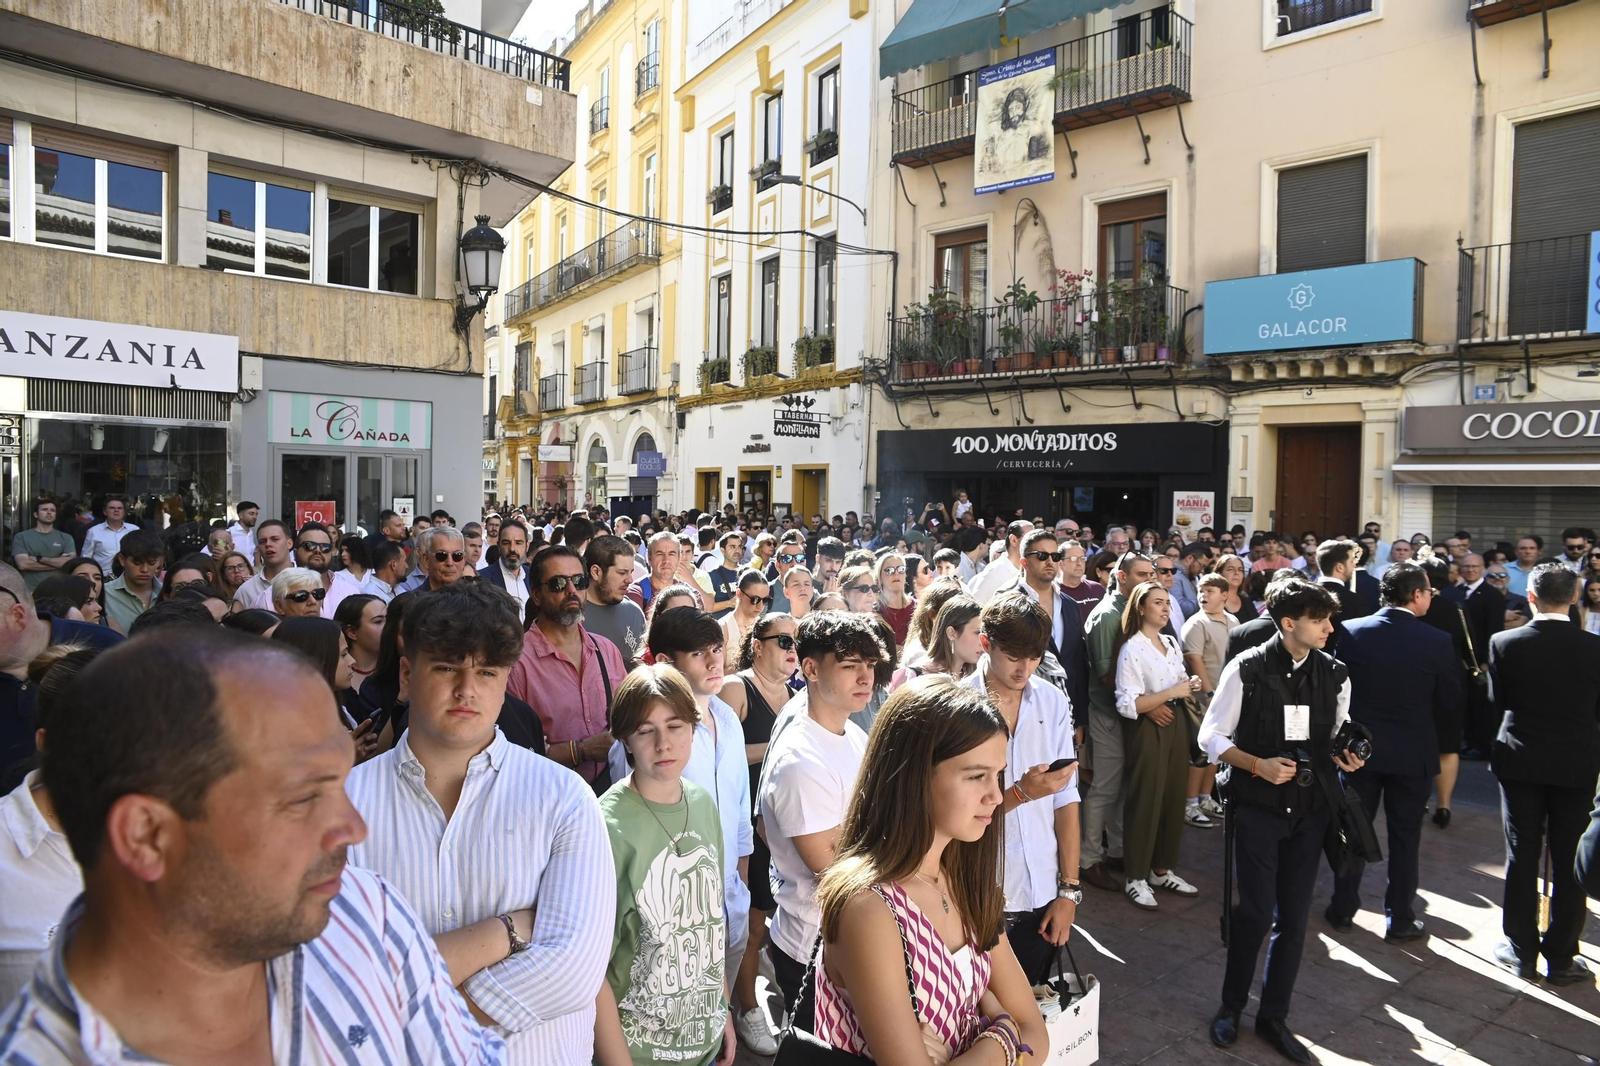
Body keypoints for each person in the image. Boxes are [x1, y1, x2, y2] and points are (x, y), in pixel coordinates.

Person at [0, 628, 509, 1064]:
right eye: (303, 797)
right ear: (147, 835)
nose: (353, 829)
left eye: (339, 783)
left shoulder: (362, 911)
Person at [347, 582, 612, 1063]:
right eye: (447, 667)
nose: (467, 689)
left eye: (486, 672)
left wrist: (400, 1017)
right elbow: (343, 976)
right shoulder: (343, 804)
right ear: (406, 674)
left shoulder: (564, 798)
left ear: (505, 680)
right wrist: (506, 932)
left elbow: (572, 972)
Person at [811, 675, 1048, 1063]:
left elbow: (1036, 1031)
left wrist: (1000, 1037)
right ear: (916, 775)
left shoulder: (963, 879)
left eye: (998, 774)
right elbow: (1022, 1034)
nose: (994, 794)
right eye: (976, 776)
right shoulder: (869, 908)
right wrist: (1004, 1033)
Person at [1198, 580, 1363, 1064]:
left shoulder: (1336, 673)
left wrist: (1346, 755)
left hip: (1310, 815)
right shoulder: (1245, 667)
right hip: (1256, 810)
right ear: (1290, 623)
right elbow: (1211, 736)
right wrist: (1256, 765)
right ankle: (1230, 1007)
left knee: (1293, 920)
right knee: (1254, 912)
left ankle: (1274, 1017)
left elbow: (1336, 735)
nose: (1331, 628)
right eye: (1321, 620)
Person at [603, 607, 754, 997]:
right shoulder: (646, 742)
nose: (714, 661)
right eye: (698, 653)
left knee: (717, 1016)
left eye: (717, 649)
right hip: (668, 923)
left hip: (730, 902)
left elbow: (739, 818)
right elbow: (633, 828)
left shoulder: (729, 719)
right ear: (667, 661)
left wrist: (738, 886)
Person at [594, 666, 736, 1066]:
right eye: (645, 731)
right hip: (640, 1053)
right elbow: (592, 970)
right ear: (625, 739)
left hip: (705, 1040)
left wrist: (722, 1011)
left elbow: (710, 921)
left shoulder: (703, 803)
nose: (663, 745)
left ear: (694, 728)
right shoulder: (605, 826)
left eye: (675, 726)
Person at [758, 611, 885, 1031]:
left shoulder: (853, 734)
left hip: (856, 938)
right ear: (810, 668)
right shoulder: (800, 760)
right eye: (850, 666)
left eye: (869, 665)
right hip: (815, 948)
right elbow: (835, 875)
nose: (865, 677)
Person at [1327, 563, 1463, 942]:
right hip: (1411, 752)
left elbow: (1338, 692)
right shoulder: (1436, 640)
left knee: (1353, 829)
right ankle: (1400, 918)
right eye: (1428, 593)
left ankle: (1342, 909)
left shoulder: (1352, 631)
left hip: (1360, 751)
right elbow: (1450, 699)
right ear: (1416, 595)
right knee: (1406, 839)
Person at [959, 593, 1082, 987]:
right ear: (985, 644)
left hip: (1043, 890)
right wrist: (1021, 793)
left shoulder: (1051, 699)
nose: (1024, 668)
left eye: (1034, 657)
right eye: (1013, 656)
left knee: (1034, 1012)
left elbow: (1066, 798)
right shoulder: (957, 706)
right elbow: (951, 815)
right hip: (976, 891)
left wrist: (1069, 891)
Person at [1487, 564, 1600, 985]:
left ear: (1531, 597)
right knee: (1570, 859)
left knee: (1522, 854)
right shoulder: (1594, 647)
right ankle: (1562, 956)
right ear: (1574, 598)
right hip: (1576, 763)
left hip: (1522, 760)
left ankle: (1521, 951)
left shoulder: (1504, 641)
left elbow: (1500, 701)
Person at [718, 613, 796, 1056]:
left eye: (797, 642)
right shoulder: (737, 688)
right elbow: (719, 753)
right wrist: (779, 745)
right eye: (783, 640)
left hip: (779, 826)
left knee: (767, 917)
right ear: (757, 645)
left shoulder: (794, 693)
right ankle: (746, 1007)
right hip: (744, 827)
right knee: (749, 923)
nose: (792, 649)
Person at [1114, 580, 1203, 910]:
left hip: (1176, 723)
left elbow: (1177, 685)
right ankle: (1135, 876)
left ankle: (1161, 869)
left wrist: (1186, 686)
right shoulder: (1132, 649)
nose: (1166, 608)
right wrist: (1167, 697)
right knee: (1145, 798)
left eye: (1167, 603)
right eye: (1157, 603)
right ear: (1140, 608)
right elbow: (1128, 703)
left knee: (1172, 796)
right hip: (1148, 730)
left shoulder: (1169, 641)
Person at [507, 545, 627, 784]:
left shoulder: (606, 650)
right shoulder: (516, 663)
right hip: (548, 799)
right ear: (536, 595)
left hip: (611, 791)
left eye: (579, 581)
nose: (571, 590)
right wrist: (580, 750)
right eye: (558, 584)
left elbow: (631, 717)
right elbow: (514, 754)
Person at [1079, 551, 1156, 893]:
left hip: (1130, 714)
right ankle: (1088, 859)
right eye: (1142, 574)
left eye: (1151, 573)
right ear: (1121, 577)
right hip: (1108, 714)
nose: (1150, 580)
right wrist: (1150, 701)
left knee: (1123, 788)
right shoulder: (1108, 616)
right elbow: (1107, 673)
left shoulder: (1132, 612)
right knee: (1105, 788)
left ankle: (1117, 852)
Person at [1415, 556, 1472, 828]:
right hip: (1452, 678)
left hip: (1418, 677)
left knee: (1420, 738)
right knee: (1448, 746)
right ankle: (1445, 805)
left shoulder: (1414, 608)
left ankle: (1421, 799)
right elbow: (1471, 645)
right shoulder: (1456, 608)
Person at [1181, 573, 1238, 828]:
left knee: (1216, 750)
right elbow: (1195, 659)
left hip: (1225, 697)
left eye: (1210, 591)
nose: (1203, 596)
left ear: (1225, 595)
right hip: (1203, 698)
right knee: (1199, 752)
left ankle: (1206, 798)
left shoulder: (1233, 620)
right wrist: (1210, 692)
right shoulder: (1196, 623)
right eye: (1201, 591)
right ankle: (1190, 803)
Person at [583, 535, 649, 667]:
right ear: (596, 572)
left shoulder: (634, 612)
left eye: (630, 572)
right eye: (622, 572)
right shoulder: (570, 616)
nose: (629, 579)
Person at [102, 530, 164, 634]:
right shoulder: (104, 594)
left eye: (151, 563)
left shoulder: (167, 593)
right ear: (122, 560)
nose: (144, 569)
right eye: (137, 563)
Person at [12, 499, 78, 592]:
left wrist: (40, 559)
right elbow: (23, 564)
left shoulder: (66, 538)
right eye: (45, 509)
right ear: (36, 514)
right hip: (31, 590)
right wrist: (59, 563)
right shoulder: (21, 537)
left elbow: (70, 563)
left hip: (60, 589)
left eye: (52, 510)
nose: (49, 512)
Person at [231, 519, 293, 609]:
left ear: (289, 543)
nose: (268, 544)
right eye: (262, 541)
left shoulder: (309, 581)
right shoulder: (246, 590)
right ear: (258, 548)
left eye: (275, 539)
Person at [400, 526, 470, 594]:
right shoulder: (410, 603)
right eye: (441, 555)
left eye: (457, 555)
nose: (450, 563)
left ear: (464, 560)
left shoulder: (476, 602)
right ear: (426, 559)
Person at [81, 496, 139, 577]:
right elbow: (86, 557)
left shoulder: (134, 530)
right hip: (102, 577)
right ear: (105, 511)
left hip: (129, 576)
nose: (116, 510)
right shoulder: (94, 531)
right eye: (112, 508)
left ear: (124, 512)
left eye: (120, 508)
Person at [720, 569, 770, 652]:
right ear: (739, 594)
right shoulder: (723, 628)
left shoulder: (765, 627)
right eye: (755, 599)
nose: (760, 606)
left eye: (765, 600)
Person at [874, 551, 915, 647]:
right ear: (879, 576)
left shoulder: (918, 607)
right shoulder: (874, 611)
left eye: (901, 569)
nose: (896, 573)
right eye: (889, 570)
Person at [705, 531, 744, 617]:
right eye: (732, 547)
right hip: (721, 626)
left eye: (739, 547)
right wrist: (729, 603)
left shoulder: (747, 573)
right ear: (723, 550)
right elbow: (706, 607)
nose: (737, 550)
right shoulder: (712, 575)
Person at [225, 499, 259, 564]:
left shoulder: (250, 533)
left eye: (256, 514)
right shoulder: (229, 532)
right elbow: (209, 552)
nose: (255, 517)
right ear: (241, 515)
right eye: (251, 514)